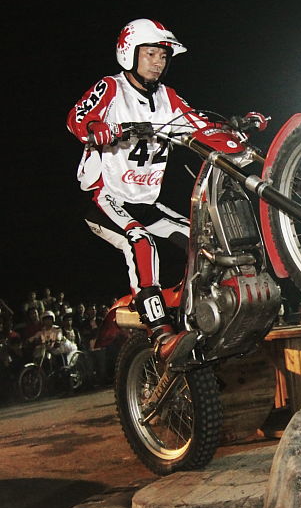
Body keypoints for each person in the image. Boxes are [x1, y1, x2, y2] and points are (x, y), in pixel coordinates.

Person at [66, 19, 266, 367]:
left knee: (201, 240)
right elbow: (76, 118)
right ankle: (160, 333)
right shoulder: (111, 88)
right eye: (151, 54)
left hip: (147, 202)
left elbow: (199, 126)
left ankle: (200, 312)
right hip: (105, 198)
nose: (158, 62)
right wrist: (99, 129)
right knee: (140, 241)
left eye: (163, 56)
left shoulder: (167, 97)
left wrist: (235, 132)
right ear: (129, 52)